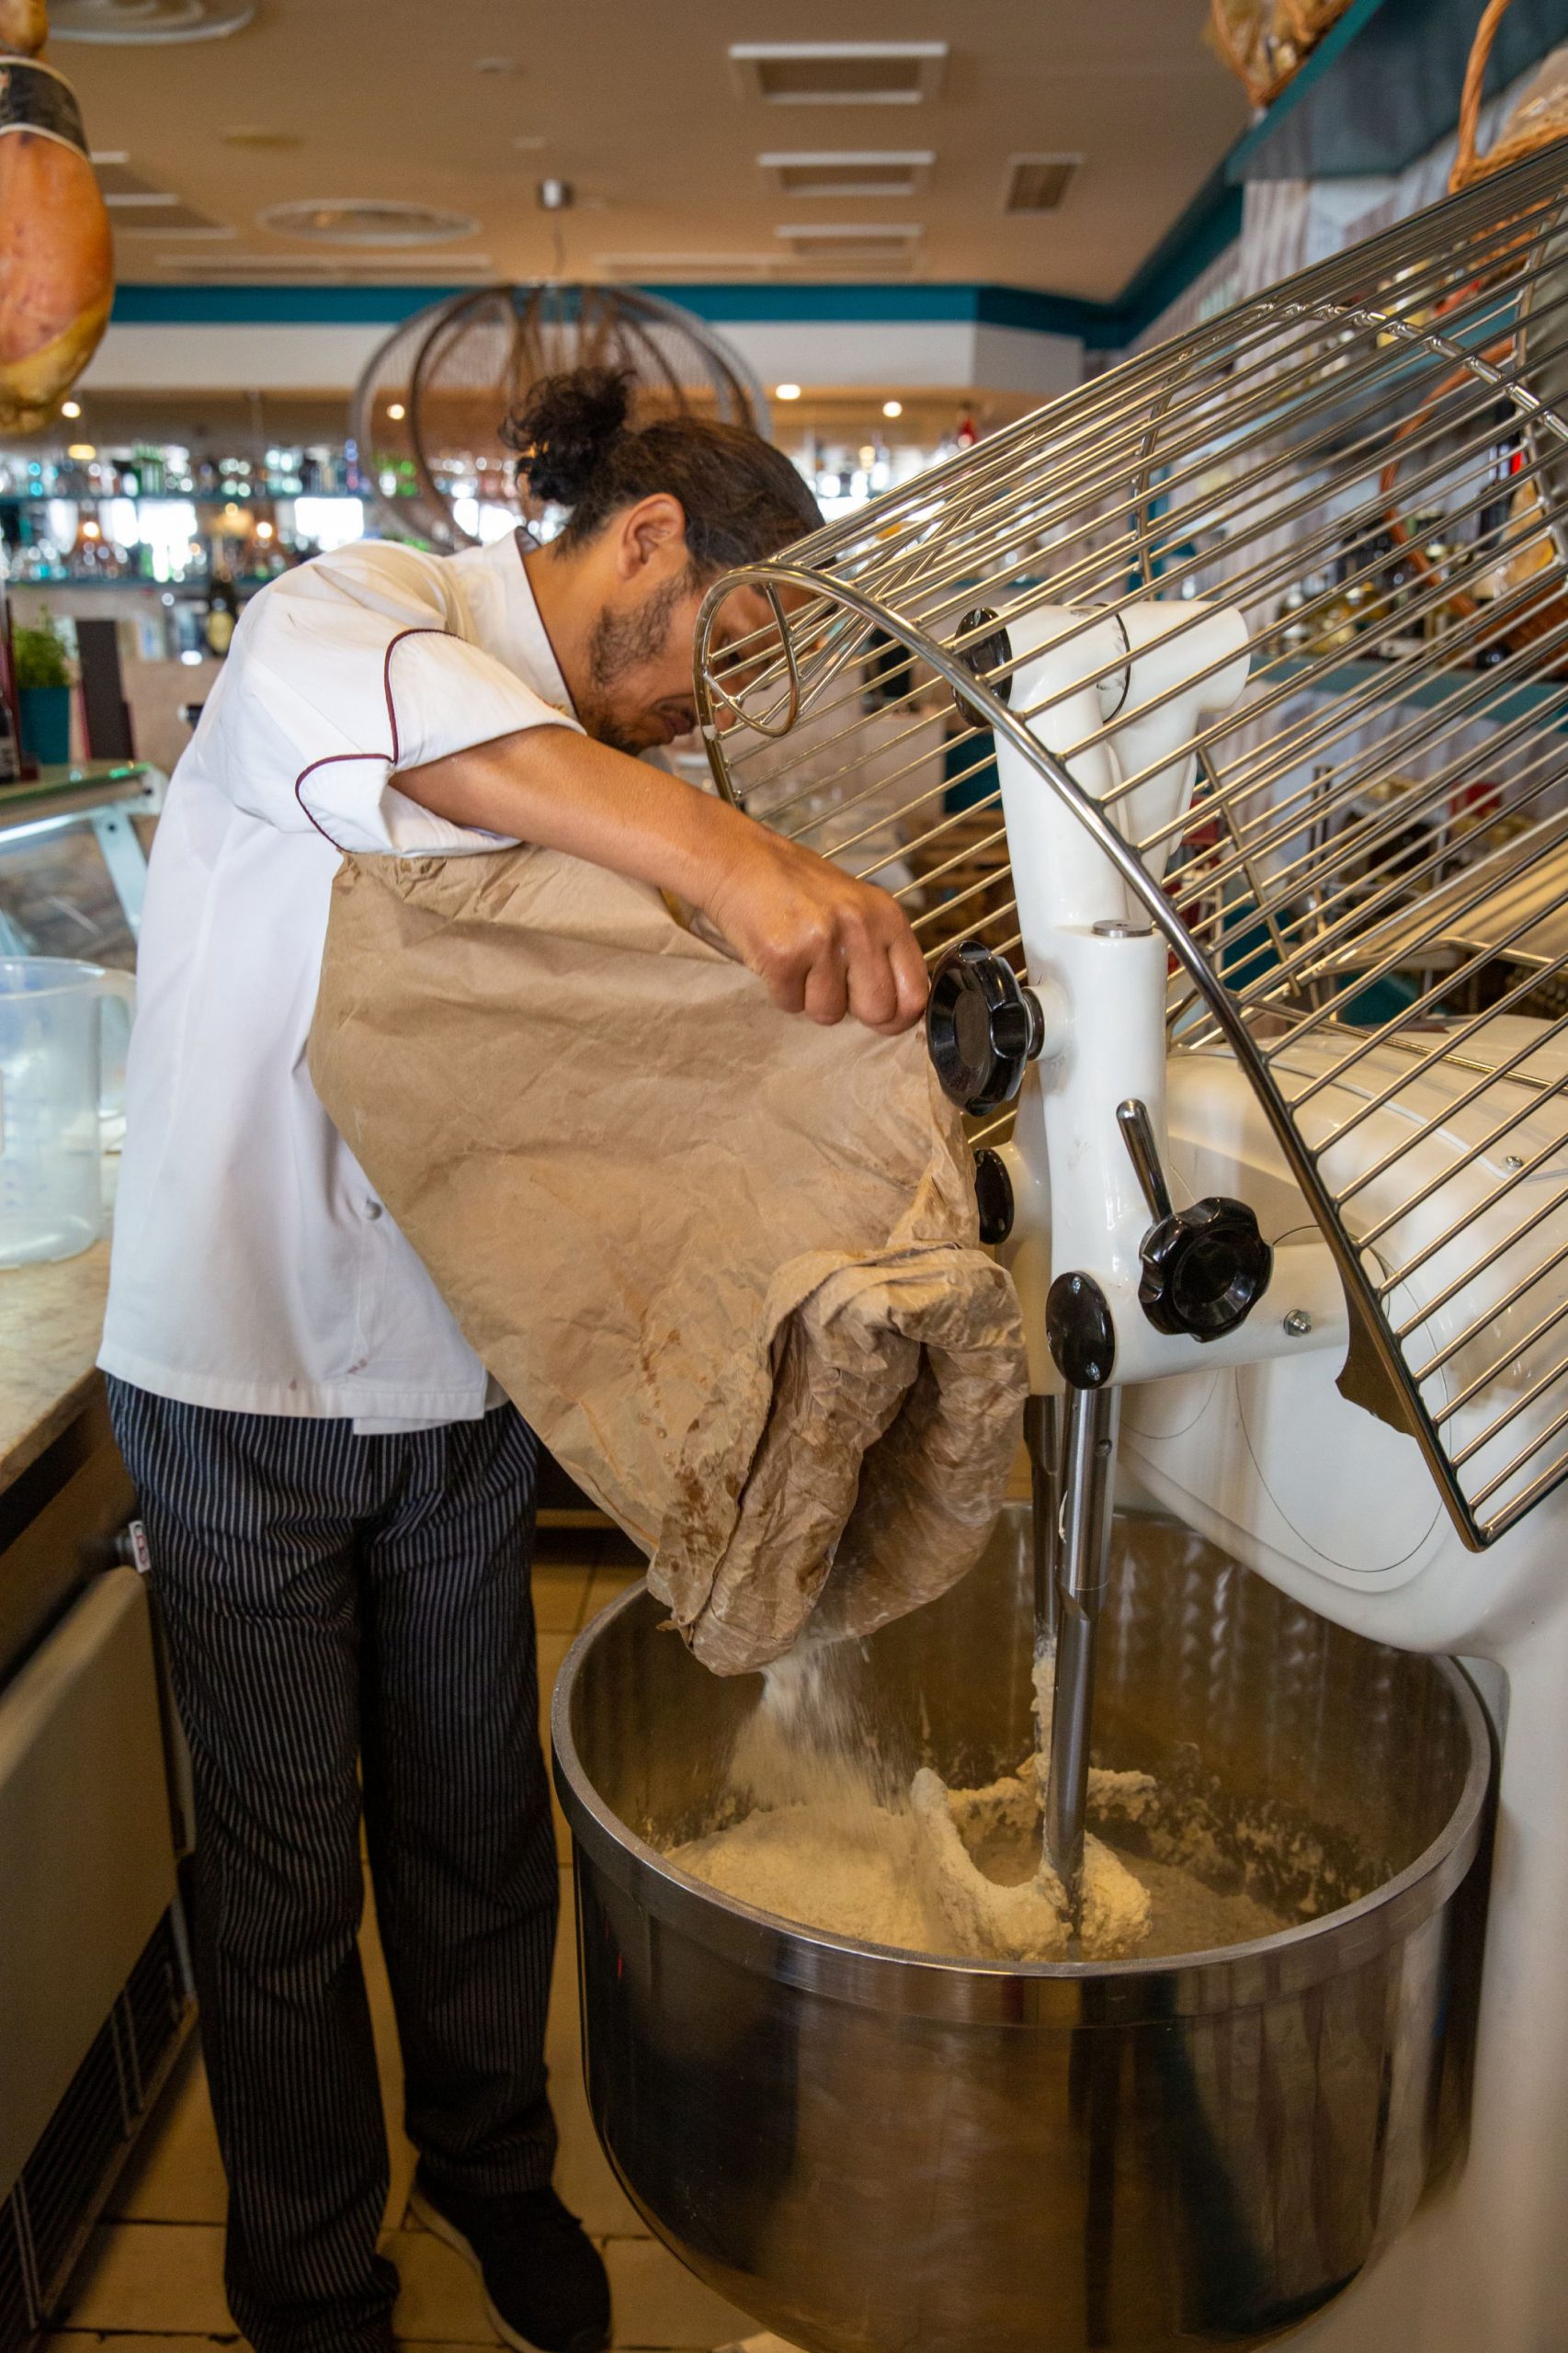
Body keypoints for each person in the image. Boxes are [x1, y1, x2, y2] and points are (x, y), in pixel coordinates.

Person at [98, 367, 927, 2353]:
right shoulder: (346, 609)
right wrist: (736, 863)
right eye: (732, 643)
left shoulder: (625, 767)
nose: (710, 710)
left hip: (468, 1383)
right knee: (287, 1880)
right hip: (241, 1371)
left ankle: (489, 2158)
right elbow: (444, 756)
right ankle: (307, 2272)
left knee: (477, 1829)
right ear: (647, 539)